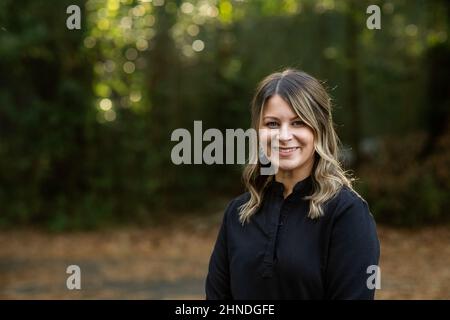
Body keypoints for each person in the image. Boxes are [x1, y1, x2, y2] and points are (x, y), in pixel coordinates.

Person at [205, 69, 380, 300]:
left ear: (319, 129)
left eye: (298, 122)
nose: (284, 135)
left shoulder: (347, 213)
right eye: (273, 124)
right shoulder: (237, 214)